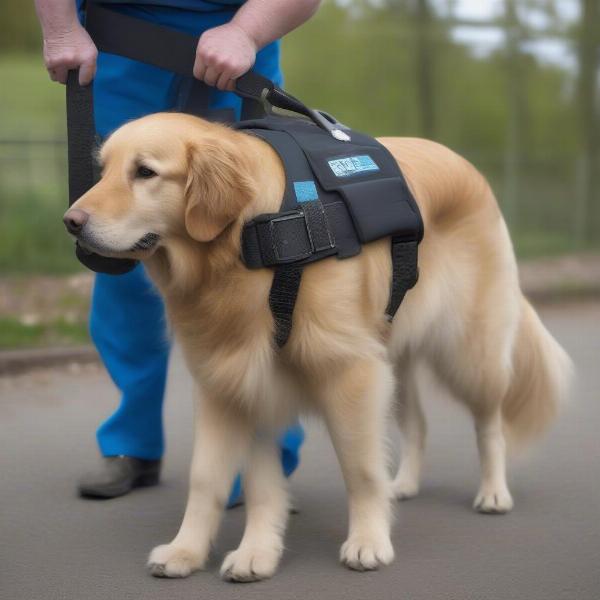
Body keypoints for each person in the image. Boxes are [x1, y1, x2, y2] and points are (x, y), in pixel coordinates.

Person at [34, 0, 320, 501]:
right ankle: (132, 442)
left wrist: (246, 32)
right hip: (119, 44)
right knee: (119, 243)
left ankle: (261, 453)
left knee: (250, 249)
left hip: (237, 47)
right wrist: (60, 29)